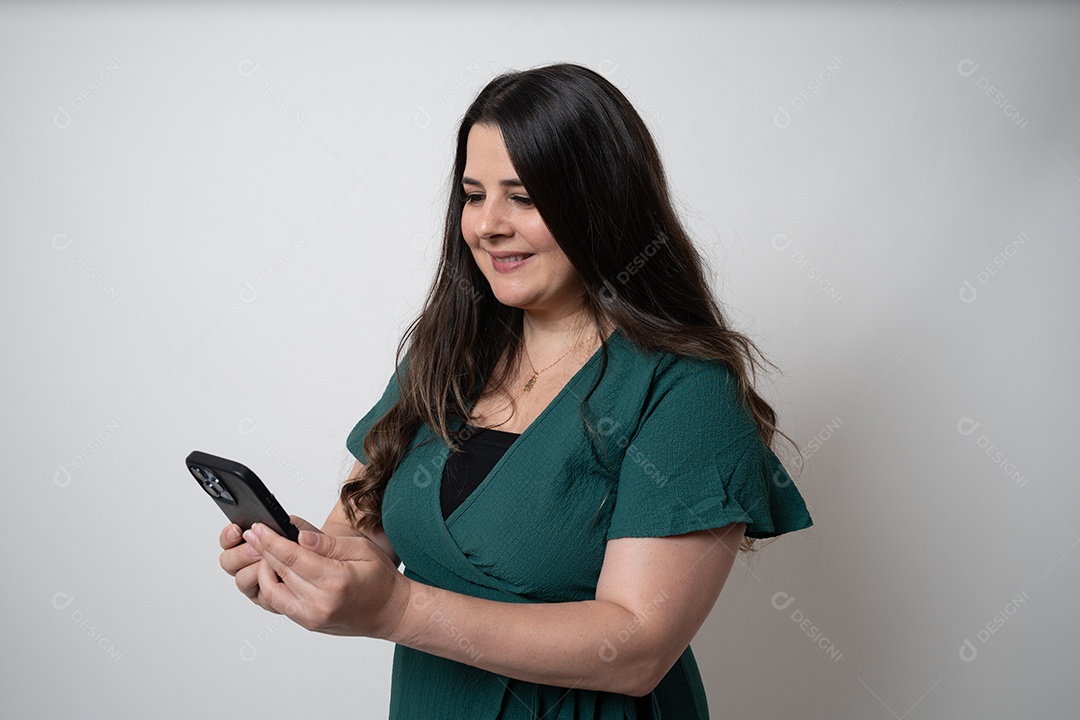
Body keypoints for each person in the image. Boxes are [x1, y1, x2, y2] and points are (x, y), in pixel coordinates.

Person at [218, 62, 813, 719]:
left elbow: (638, 649)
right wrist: (309, 562)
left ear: (604, 204)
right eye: (474, 196)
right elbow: (362, 537)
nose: (487, 225)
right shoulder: (445, 355)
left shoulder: (684, 390)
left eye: (523, 198)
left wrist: (397, 609)